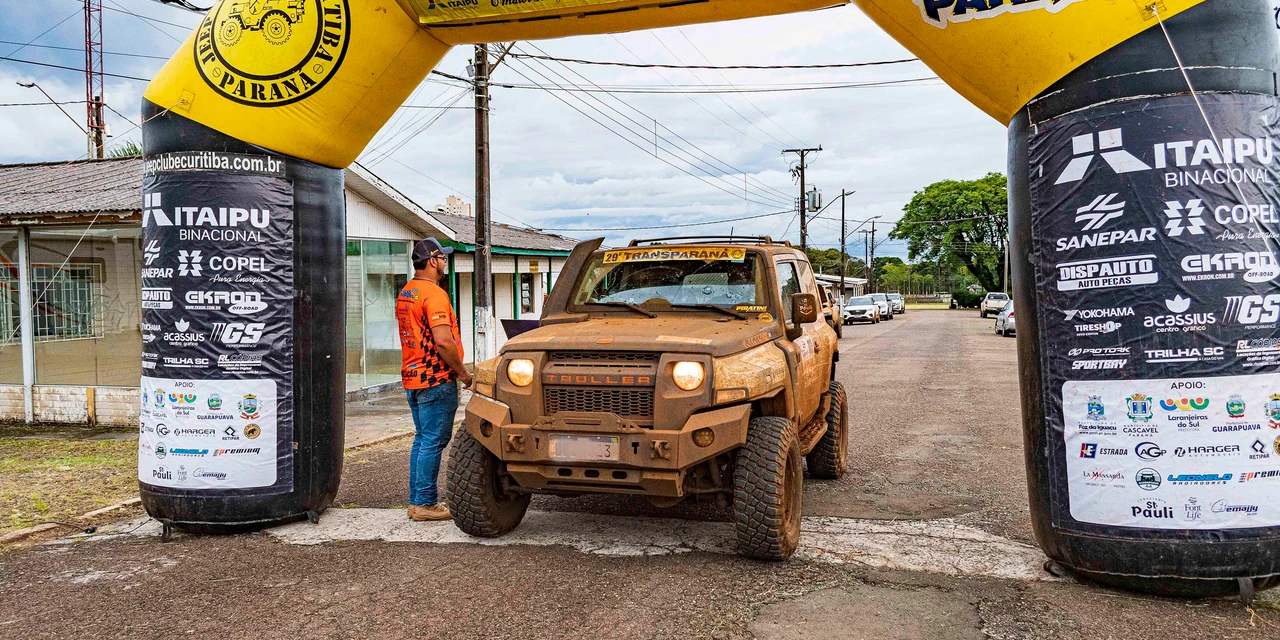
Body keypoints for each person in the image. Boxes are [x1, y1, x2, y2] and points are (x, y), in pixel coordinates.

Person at [396, 238, 472, 521]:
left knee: (422, 439)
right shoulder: (434, 294)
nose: (444, 263)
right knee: (433, 441)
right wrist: (463, 373)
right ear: (432, 261)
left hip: (413, 377)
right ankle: (425, 504)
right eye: (442, 258)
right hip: (435, 379)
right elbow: (443, 341)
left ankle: (416, 501)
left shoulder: (407, 292)